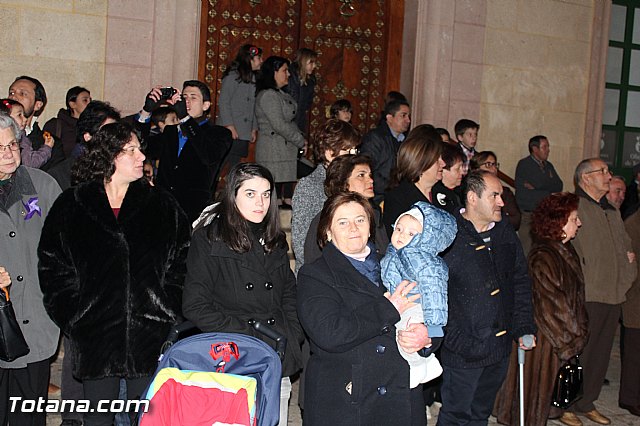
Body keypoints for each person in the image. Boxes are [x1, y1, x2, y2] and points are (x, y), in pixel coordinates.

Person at [38, 121, 190, 426]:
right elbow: (53, 266)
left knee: (147, 419)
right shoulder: (74, 204)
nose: (141, 157)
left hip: (150, 336)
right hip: (95, 337)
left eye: (140, 149)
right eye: (130, 150)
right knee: (96, 420)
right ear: (109, 156)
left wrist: (167, 309)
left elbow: (182, 263)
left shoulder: (161, 205)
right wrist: (75, 316)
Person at [182, 163, 304, 425]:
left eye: (266, 193)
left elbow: (288, 294)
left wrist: (291, 333)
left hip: (276, 352)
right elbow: (195, 305)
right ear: (233, 195)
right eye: (250, 193)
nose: (260, 202)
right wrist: (246, 335)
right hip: (233, 356)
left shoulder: (275, 239)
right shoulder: (209, 239)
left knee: (276, 419)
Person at [297, 191, 430, 426]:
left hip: (400, 393)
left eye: (360, 219)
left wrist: (429, 336)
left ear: (370, 226)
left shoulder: (400, 263)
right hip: (348, 399)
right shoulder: (315, 275)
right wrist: (388, 308)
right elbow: (330, 332)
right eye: (343, 222)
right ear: (327, 231)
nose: (353, 228)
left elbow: (436, 312)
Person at [437, 170, 536, 426]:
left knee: (480, 414)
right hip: (463, 351)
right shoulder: (449, 235)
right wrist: (455, 339)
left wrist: (523, 326)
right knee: (455, 416)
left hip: (498, 349)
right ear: (472, 197)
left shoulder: (505, 233)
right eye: (494, 196)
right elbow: (435, 292)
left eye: (501, 195)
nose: (502, 202)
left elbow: (520, 282)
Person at [494, 192, 588, 426]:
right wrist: (572, 340)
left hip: (555, 342)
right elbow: (551, 308)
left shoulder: (565, 251)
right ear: (559, 221)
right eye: (574, 218)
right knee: (529, 405)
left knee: (542, 404)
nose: (579, 223)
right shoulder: (544, 257)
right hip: (543, 344)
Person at [0, 112, 62, 426]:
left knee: (29, 416)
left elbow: (64, 245)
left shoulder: (41, 184)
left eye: (13, 144)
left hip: (33, 319)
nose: (10, 153)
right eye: (0, 148)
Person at [570, 158, 636, 425]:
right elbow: (569, 249)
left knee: (600, 354)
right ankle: (566, 405)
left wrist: (628, 274)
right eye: (603, 172)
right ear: (586, 178)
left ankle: (587, 402)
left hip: (613, 292)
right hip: (588, 294)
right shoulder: (573, 205)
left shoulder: (611, 210)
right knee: (578, 353)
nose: (609, 176)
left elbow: (627, 249)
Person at [381, 201, 457, 388]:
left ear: (426, 239)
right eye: (398, 229)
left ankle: (416, 367)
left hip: (418, 306)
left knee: (406, 337)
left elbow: (435, 296)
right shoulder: (392, 253)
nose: (400, 235)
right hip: (401, 303)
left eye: (411, 233)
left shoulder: (425, 261)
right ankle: (429, 364)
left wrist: (434, 327)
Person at [139, 81, 232, 222]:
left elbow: (209, 155)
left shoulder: (219, 133)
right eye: (184, 97)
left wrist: (185, 118)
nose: (187, 101)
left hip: (193, 210)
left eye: (193, 97)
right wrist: (146, 111)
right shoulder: (170, 132)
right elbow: (141, 146)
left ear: (206, 105)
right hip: (162, 206)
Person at [291, 118, 360, 274]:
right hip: (318, 275)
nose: (353, 158)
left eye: (355, 151)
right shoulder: (309, 186)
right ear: (329, 153)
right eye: (347, 151)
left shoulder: (352, 183)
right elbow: (302, 244)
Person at [304, 154, 389, 265]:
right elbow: (314, 263)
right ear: (344, 183)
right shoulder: (326, 219)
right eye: (361, 175)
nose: (371, 180)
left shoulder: (375, 214)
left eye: (370, 175)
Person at [255, 56, 306, 207]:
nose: (288, 74)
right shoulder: (268, 95)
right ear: (274, 72)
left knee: (280, 197)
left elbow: (289, 121)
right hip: (273, 151)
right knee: (272, 198)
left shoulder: (281, 94)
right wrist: (300, 140)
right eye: (285, 70)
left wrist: (301, 138)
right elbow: (279, 124)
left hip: (283, 150)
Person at [382, 125, 445, 236]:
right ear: (421, 164)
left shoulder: (447, 195)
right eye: (437, 160)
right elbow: (398, 239)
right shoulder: (398, 198)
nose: (443, 164)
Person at [218, 44, 263, 170]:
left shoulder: (253, 78)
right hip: (231, 130)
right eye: (259, 58)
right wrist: (229, 126)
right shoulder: (233, 76)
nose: (261, 61)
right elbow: (224, 101)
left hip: (243, 131)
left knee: (235, 163)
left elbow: (253, 105)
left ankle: (231, 189)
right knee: (220, 165)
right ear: (250, 59)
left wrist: (254, 128)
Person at [515, 135, 563, 253]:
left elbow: (558, 185)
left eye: (548, 147)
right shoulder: (525, 164)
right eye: (544, 147)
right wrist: (548, 192)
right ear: (535, 149)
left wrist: (538, 188)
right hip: (528, 216)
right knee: (528, 250)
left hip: (544, 215)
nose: (548, 150)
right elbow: (539, 182)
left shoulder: (548, 166)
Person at [8, 76, 65, 171]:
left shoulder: (51, 143)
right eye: (11, 93)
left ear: (37, 105)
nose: (13, 97)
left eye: (22, 93)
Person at [360, 98, 411, 204]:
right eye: (403, 115)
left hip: (394, 196)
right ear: (389, 117)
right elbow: (367, 168)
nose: (408, 120)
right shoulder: (375, 138)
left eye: (408, 116)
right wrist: (390, 188)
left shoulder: (405, 140)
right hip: (377, 198)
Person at [620, 209, 640, 417]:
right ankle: (629, 398)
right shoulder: (633, 224)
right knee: (634, 353)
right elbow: (631, 263)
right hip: (635, 298)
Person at [470, 150, 522, 231]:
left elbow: (516, 220)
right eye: (488, 165)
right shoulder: (469, 191)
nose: (493, 169)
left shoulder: (505, 192)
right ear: (476, 169)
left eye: (495, 164)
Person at [0, 98, 53, 168]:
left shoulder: (23, 136)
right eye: (19, 115)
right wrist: (47, 148)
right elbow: (30, 163)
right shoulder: (22, 138)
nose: (25, 119)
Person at [43, 86, 91, 158]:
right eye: (85, 100)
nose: (89, 104)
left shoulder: (92, 126)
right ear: (72, 104)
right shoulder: (55, 125)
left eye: (90, 100)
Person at [286, 48, 318, 135]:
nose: (314, 66)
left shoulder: (310, 81)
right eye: (311, 62)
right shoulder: (289, 77)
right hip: (287, 122)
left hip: (299, 122)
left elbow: (307, 104)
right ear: (303, 61)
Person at [432, 142, 465, 214]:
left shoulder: (463, 191)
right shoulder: (435, 194)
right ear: (442, 170)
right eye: (457, 169)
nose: (462, 172)